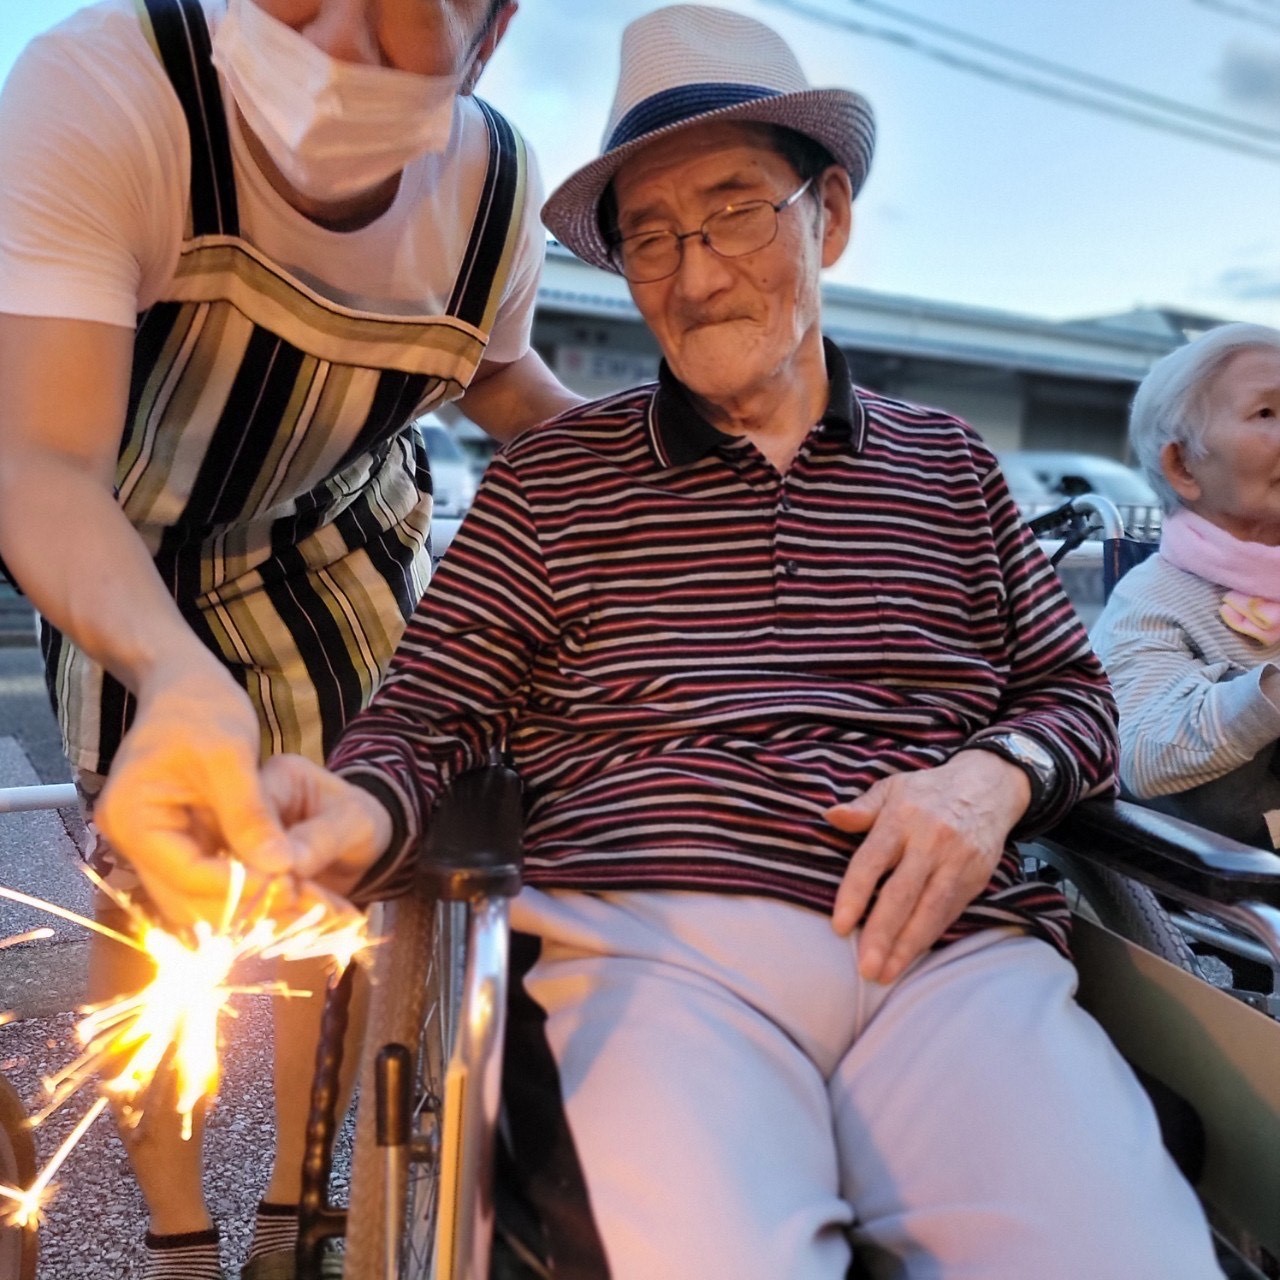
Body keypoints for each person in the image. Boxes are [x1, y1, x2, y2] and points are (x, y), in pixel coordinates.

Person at [260, 6, 1221, 1277]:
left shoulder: (948, 465)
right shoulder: (554, 477)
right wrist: (352, 812)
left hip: (947, 947)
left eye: (731, 212)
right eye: (650, 237)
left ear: (826, 216)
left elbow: (1072, 699)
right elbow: (430, 715)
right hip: (657, 941)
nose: (694, 272)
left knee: (1119, 1256)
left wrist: (987, 781)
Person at [0, 0, 581, 1276]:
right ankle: (180, 1237)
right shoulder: (105, 90)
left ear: (489, 35)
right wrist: (173, 679)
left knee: (327, 881)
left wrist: (644, 464)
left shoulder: (491, 195)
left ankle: (292, 1213)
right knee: (149, 908)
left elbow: (498, 373)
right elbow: (42, 462)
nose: (334, 36)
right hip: (126, 546)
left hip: (338, 543)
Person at [1092, 322, 1280, 849]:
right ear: (1183, 466)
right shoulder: (1150, 600)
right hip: (1230, 898)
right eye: (1267, 412)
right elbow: (1141, 755)